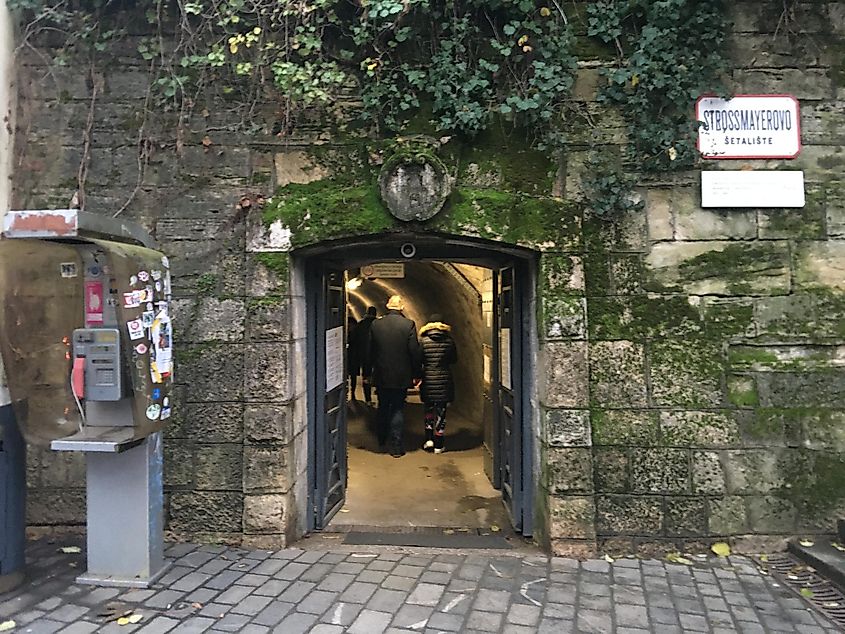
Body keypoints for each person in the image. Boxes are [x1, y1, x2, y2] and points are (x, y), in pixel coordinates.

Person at [366, 295, 421, 457]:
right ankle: (396, 446)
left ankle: (381, 438)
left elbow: (370, 351)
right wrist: (417, 374)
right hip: (401, 375)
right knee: (397, 407)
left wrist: (367, 372)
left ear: (388, 306)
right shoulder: (408, 324)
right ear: (402, 307)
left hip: (381, 373)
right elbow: (414, 351)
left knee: (383, 405)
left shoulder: (376, 324)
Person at [419, 314, 458, 454]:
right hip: (444, 379)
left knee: (428, 410)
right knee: (441, 412)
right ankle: (439, 444)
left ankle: (428, 439)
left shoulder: (423, 341)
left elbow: (419, 359)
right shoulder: (449, 341)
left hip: (428, 378)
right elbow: (454, 359)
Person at [348, 306, 377, 403]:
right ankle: (369, 398)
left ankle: (353, 394)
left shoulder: (360, 324)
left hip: (359, 354)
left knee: (357, 375)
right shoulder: (378, 324)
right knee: (369, 376)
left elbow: (353, 338)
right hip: (373, 354)